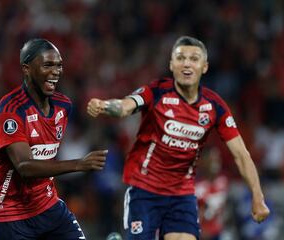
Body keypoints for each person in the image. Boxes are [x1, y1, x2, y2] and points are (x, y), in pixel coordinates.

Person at [87, 36, 270, 240]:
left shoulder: (215, 106)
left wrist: (257, 195)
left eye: (194, 58)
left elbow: (241, 155)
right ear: (172, 65)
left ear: (205, 66)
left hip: (181, 194)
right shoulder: (156, 92)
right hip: (145, 190)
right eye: (181, 58)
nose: (187, 63)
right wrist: (105, 106)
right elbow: (124, 106)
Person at [0, 38, 108, 240]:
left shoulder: (64, 106)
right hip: (6, 211)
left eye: (59, 65)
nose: (56, 71)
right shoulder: (11, 111)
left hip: (46, 205)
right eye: (48, 65)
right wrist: (79, 164)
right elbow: (25, 167)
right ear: (26, 69)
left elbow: (46, 159)